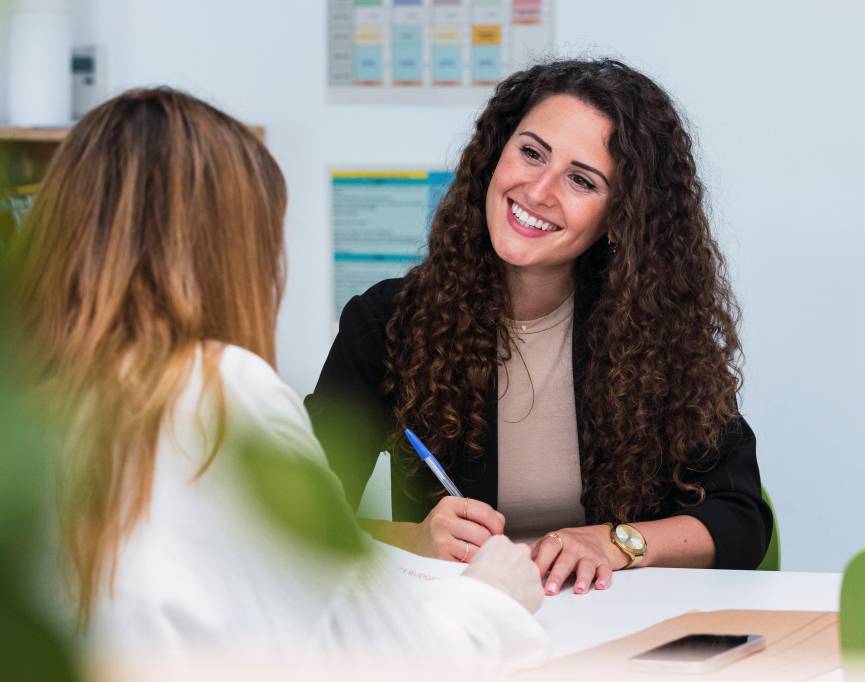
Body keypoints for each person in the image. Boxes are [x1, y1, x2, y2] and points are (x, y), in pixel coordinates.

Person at [7, 88, 544, 672]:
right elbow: (386, 655)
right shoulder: (217, 391)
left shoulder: (35, 393)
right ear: (230, 248)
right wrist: (493, 596)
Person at [306, 58, 773, 597]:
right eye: (531, 152)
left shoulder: (657, 329)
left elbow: (740, 519)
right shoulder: (386, 322)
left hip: (614, 633)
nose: (539, 190)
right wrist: (415, 539)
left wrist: (615, 543)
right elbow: (294, 516)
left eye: (581, 180)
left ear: (620, 218)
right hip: (456, 634)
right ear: (494, 157)